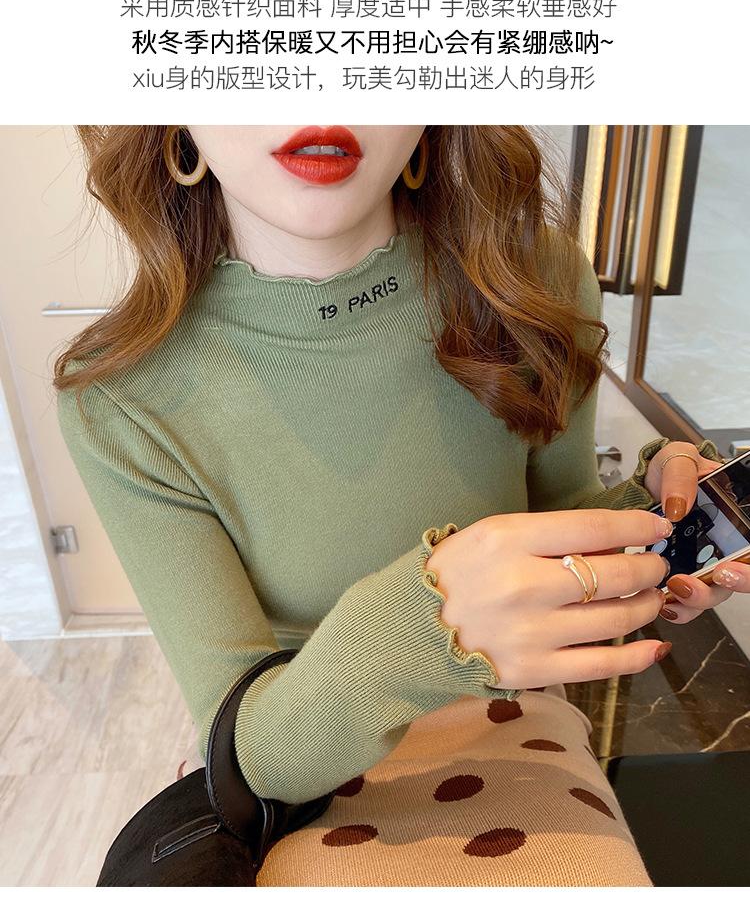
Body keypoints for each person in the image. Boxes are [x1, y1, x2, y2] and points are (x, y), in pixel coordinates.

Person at [54, 125, 739, 886]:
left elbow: (560, 514)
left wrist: (657, 514)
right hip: (304, 773)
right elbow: (254, 753)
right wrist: (426, 623)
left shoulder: (532, 279)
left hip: (521, 736)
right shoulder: (123, 395)